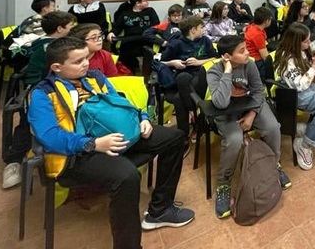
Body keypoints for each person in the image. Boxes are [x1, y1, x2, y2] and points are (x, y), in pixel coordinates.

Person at [27, 37, 194, 248]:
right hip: (78, 154)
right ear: (56, 67)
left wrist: (142, 118)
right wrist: (93, 143)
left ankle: (160, 210)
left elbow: (121, 104)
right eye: (78, 62)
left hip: (118, 136)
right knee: (126, 176)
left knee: (175, 138)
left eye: (86, 58)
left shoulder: (95, 78)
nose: (86, 64)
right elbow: (49, 136)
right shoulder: (43, 94)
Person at [206, 35, 291, 219]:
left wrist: (251, 115)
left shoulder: (250, 64)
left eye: (246, 48)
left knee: (272, 127)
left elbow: (259, 90)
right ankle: (224, 184)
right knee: (235, 139)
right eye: (242, 50)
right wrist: (228, 71)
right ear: (227, 56)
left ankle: (273, 164)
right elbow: (220, 103)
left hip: (250, 106)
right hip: (227, 112)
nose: (247, 53)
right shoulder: (214, 72)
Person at [274, 23, 315, 170]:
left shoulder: (301, 51)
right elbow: (299, 85)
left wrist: (314, 62)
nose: (309, 43)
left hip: (306, 87)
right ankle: (304, 145)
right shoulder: (287, 60)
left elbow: (306, 74)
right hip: (294, 93)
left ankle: (309, 130)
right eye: (306, 41)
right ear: (296, 42)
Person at [160, 16, 218, 136]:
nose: (203, 30)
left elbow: (216, 58)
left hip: (202, 76)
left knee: (178, 99)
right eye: (201, 27)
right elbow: (159, 61)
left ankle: (184, 134)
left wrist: (199, 62)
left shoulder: (205, 40)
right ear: (193, 30)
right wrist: (173, 63)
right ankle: (194, 116)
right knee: (183, 78)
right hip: (183, 79)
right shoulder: (176, 43)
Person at [107, 0, 160, 74]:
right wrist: (111, 33)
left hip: (146, 39)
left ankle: (145, 74)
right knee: (125, 50)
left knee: (146, 50)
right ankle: (131, 72)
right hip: (130, 42)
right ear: (137, 3)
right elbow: (117, 27)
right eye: (145, 1)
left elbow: (156, 26)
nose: (147, 2)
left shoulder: (150, 11)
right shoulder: (125, 14)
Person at [23, 11, 76, 86]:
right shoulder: (54, 47)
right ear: (60, 29)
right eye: (71, 26)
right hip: (42, 84)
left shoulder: (40, 41)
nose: (73, 29)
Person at [244, 7, 273, 79]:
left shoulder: (252, 26)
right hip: (256, 61)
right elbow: (265, 56)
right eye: (270, 19)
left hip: (250, 58)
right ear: (266, 21)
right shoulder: (257, 34)